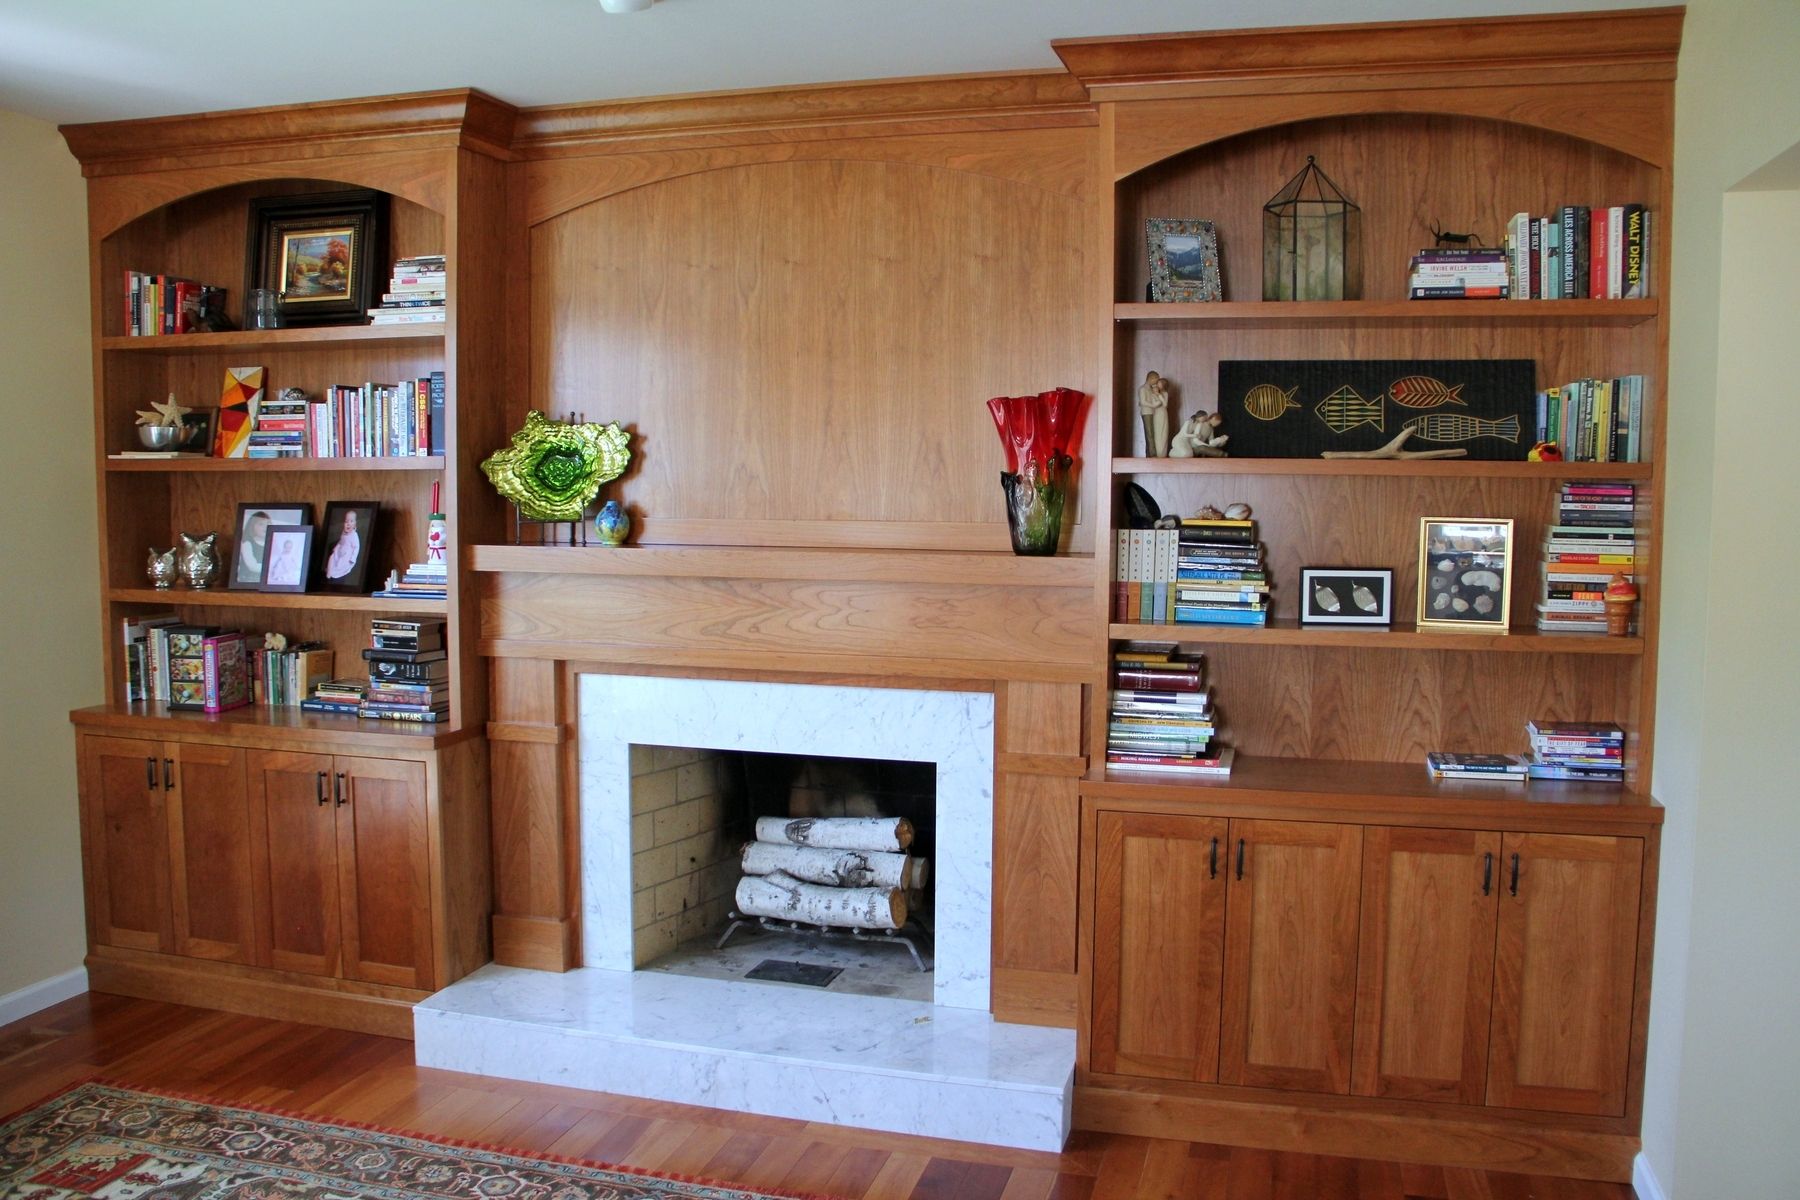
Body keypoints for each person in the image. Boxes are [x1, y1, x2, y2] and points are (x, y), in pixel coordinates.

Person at [325, 510, 361, 580]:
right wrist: (336, 547)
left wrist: (353, 558)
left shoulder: (354, 535)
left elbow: (356, 547)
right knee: (332, 557)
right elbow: (341, 541)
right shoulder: (344, 533)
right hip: (340, 551)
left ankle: (332, 572)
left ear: (355, 525)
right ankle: (329, 571)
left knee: (340, 564)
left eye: (351, 521)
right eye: (346, 521)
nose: (348, 524)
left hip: (347, 555)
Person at [237, 511, 271, 584]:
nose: (265, 527)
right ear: (252, 526)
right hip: (248, 580)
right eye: (261, 524)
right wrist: (270, 567)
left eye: (268, 524)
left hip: (264, 581)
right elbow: (252, 566)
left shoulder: (271, 543)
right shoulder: (247, 543)